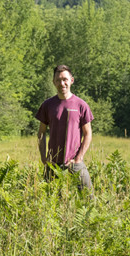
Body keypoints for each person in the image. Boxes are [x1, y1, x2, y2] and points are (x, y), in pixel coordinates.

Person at [35, 64, 94, 192]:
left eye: (65, 79)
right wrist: (43, 157)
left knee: (88, 197)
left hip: (75, 163)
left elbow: (88, 133)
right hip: (53, 164)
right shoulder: (47, 105)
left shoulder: (81, 105)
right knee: (51, 202)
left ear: (71, 80)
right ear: (53, 82)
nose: (62, 83)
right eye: (58, 80)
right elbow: (41, 133)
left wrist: (79, 158)